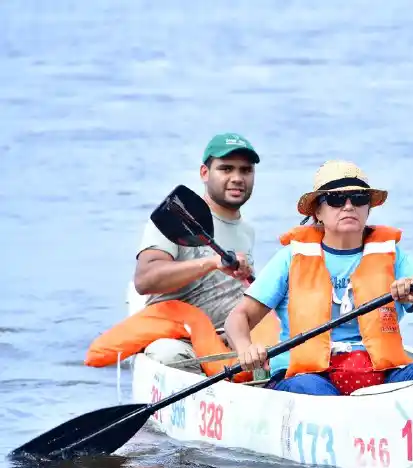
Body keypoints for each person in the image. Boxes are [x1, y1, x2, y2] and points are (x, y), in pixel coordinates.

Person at [224, 160, 413, 396]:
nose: (349, 206)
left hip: (380, 372)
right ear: (318, 212)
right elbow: (237, 318)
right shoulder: (290, 258)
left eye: (359, 199)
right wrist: (245, 348)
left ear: (368, 209)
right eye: (336, 199)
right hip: (306, 375)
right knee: (316, 392)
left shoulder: (394, 256)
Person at [85, 133, 279, 383]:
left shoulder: (247, 231)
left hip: (228, 344)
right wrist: (211, 263)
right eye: (226, 169)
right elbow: (145, 280)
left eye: (245, 170)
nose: (237, 178)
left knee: (277, 361)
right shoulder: (175, 219)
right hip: (179, 340)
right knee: (169, 354)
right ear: (204, 173)